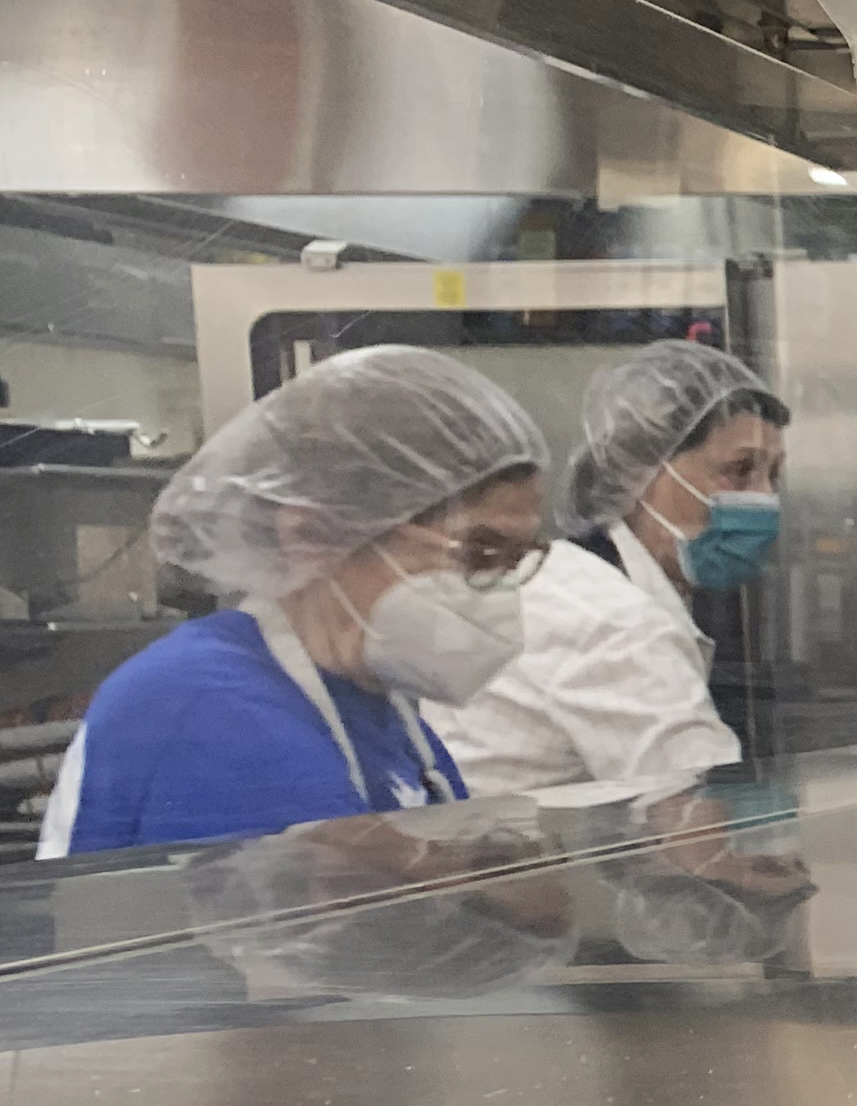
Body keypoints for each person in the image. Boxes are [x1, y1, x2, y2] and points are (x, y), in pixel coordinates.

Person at [41, 346, 546, 858]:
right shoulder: (211, 713)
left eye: (518, 558)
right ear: (314, 534)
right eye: (481, 552)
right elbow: (328, 931)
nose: (499, 588)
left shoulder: (374, 701)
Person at [430, 340, 785, 798]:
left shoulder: (581, 578)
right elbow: (702, 822)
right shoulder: (611, 621)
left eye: (773, 475)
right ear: (646, 469)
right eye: (740, 470)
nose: (764, 498)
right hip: (506, 860)